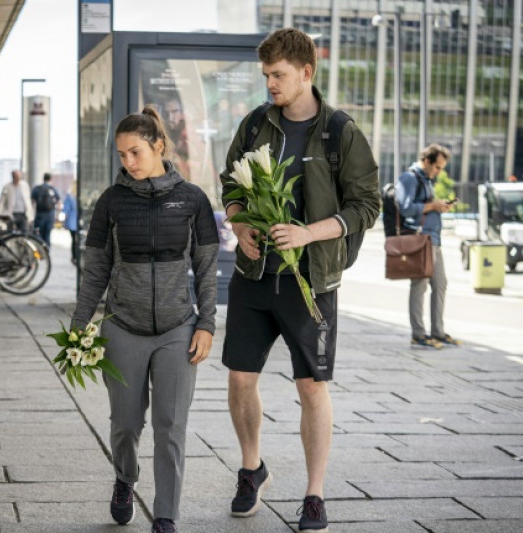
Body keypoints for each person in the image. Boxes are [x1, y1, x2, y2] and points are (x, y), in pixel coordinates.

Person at [218, 28, 380, 532]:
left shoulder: (340, 131)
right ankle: (252, 468)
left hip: (313, 280)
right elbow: (229, 183)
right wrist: (241, 225)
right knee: (241, 378)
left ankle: (315, 493)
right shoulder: (253, 125)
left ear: (306, 73)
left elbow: (366, 205)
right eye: (266, 75)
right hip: (254, 274)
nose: (270, 84)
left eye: (278, 75)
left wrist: (309, 233)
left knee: (311, 387)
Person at [72, 105, 219, 533]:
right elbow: (96, 268)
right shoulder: (111, 201)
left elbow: (207, 268)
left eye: (135, 152)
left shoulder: (192, 199)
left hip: (178, 329)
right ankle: (125, 478)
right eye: (122, 155)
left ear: (158, 146)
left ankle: (167, 516)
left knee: (171, 426)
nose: (128, 162)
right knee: (125, 424)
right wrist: (80, 325)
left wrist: (206, 324)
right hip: (123, 328)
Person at [395, 144, 460, 349]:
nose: (439, 172)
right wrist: (433, 205)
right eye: (437, 167)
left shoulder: (426, 180)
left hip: (434, 240)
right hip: (420, 239)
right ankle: (419, 334)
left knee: (440, 284)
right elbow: (405, 208)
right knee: (419, 285)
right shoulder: (409, 178)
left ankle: (438, 332)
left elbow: (425, 207)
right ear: (427, 161)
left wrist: (440, 207)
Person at [31, 172, 60, 247]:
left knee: (38, 234)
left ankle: (39, 253)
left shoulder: (37, 189)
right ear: (50, 179)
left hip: (40, 215)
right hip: (50, 215)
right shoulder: (53, 189)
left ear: (43, 179)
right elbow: (59, 202)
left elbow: (32, 202)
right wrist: (57, 215)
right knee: (47, 235)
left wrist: (31, 215)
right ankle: (46, 252)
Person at [62, 181, 79, 264]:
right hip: (79, 221)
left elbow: (66, 210)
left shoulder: (70, 196)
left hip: (72, 221)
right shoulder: (81, 194)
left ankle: (74, 257)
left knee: (73, 240)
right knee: (79, 240)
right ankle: (78, 256)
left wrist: (64, 222)